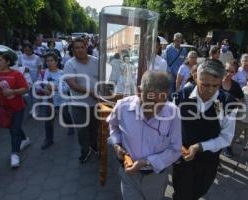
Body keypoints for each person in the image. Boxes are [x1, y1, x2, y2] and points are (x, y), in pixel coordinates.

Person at [107, 71, 182, 200]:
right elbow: (113, 126)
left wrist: (147, 162)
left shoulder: (173, 112)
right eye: (151, 101)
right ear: (139, 91)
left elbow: (176, 150)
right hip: (129, 176)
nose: (156, 108)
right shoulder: (122, 107)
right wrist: (116, 144)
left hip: (156, 177)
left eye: (161, 103)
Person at [173, 59, 237, 200]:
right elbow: (171, 128)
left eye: (215, 85)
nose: (210, 90)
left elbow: (226, 137)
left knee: (198, 192)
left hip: (209, 161)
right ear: (196, 77)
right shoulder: (180, 97)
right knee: (182, 194)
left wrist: (200, 147)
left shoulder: (228, 103)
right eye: (205, 84)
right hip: (183, 159)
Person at [0, 52, 30, 167]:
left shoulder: (16, 74)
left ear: (8, 62)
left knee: (14, 130)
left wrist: (13, 91)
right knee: (13, 128)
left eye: (0, 60)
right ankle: (24, 139)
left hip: (17, 107)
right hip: (2, 108)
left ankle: (14, 155)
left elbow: (26, 89)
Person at [63, 38, 99, 163]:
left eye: (82, 47)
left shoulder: (96, 61)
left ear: (86, 47)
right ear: (73, 50)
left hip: (96, 104)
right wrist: (90, 92)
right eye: (76, 48)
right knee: (82, 130)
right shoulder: (69, 64)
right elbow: (72, 84)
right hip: (78, 104)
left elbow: (104, 78)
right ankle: (85, 149)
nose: (79, 50)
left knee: (95, 128)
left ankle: (94, 146)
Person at [38, 53, 74, 150]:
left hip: (62, 100)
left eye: (51, 60)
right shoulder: (43, 72)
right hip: (48, 101)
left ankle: (71, 126)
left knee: (65, 115)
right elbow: (38, 85)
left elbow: (67, 88)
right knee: (48, 121)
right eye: (47, 61)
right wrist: (42, 89)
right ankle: (48, 139)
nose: (49, 63)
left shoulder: (62, 73)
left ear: (56, 62)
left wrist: (55, 87)